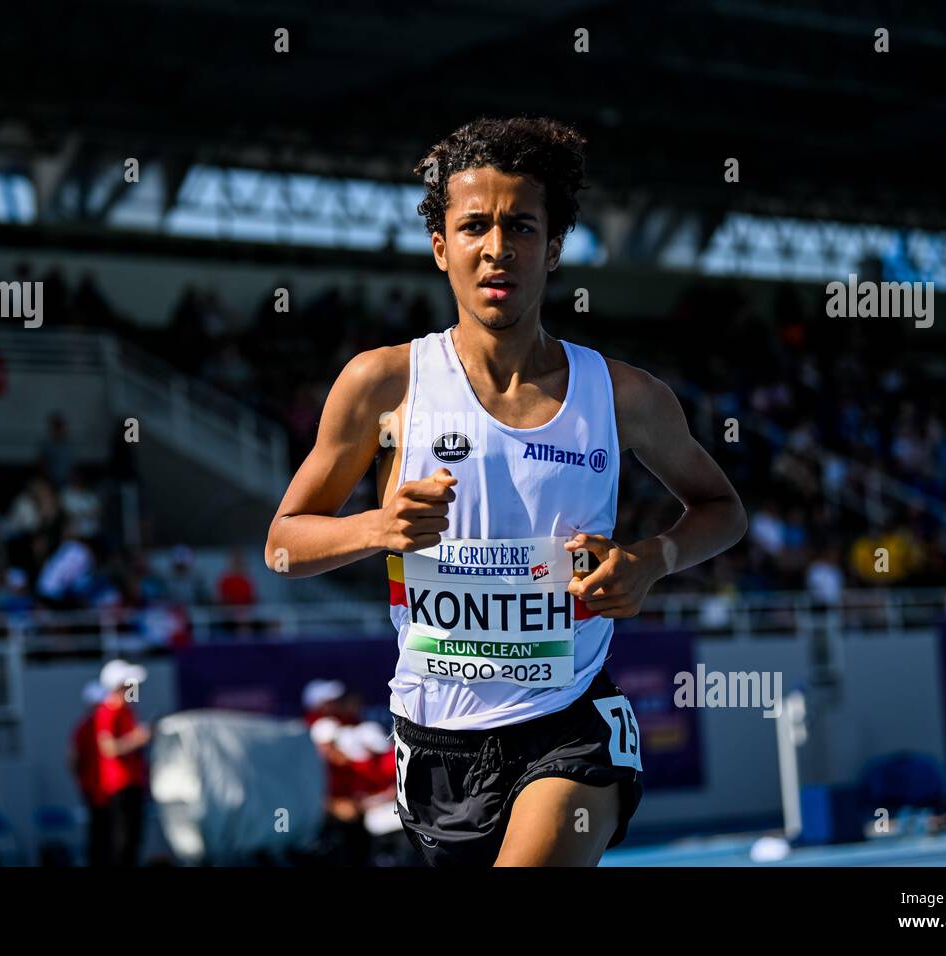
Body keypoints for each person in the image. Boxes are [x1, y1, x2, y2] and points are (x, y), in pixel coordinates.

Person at [264, 117, 747, 867]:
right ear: (440, 248)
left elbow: (723, 510)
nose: (498, 247)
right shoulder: (383, 385)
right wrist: (376, 528)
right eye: (474, 226)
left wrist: (652, 558)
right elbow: (284, 544)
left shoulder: (623, 396)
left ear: (552, 250)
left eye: (521, 226)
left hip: (572, 722)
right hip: (435, 744)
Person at [90, 659, 152, 866]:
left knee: (133, 839)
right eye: (128, 684)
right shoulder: (108, 711)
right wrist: (137, 739)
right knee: (121, 841)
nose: (133, 688)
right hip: (119, 785)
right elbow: (108, 748)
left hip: (133, 783)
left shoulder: (126, 711)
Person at [69, 680, 107, 864]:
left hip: (102, 789)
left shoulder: (88, 727)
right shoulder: (86, 729)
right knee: (101, 834)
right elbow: (73, 760)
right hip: (96, 790)